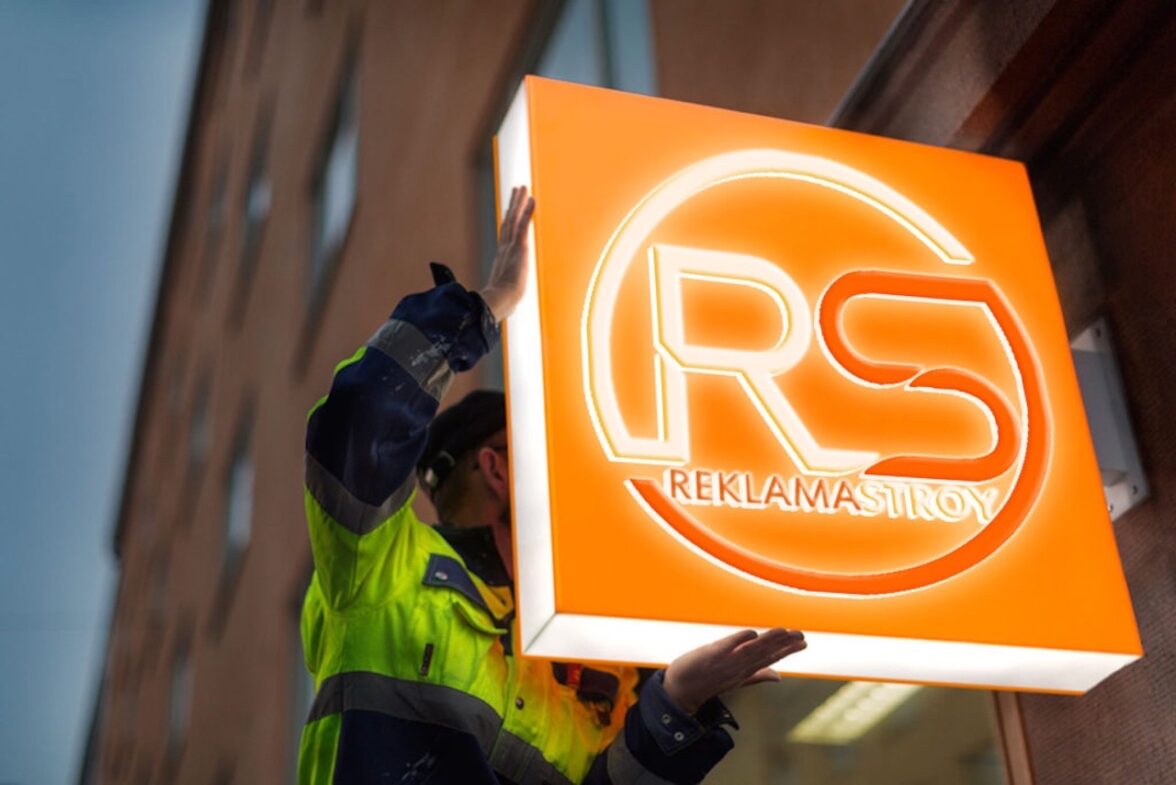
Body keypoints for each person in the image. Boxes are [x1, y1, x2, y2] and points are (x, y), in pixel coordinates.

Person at [297, 186, 807, 784]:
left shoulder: (601, 663)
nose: (579, 473)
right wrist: (489, 306)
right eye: (551, 455)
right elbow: (362, 414)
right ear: (497, 470)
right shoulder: (384, 569)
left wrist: (675, 701)